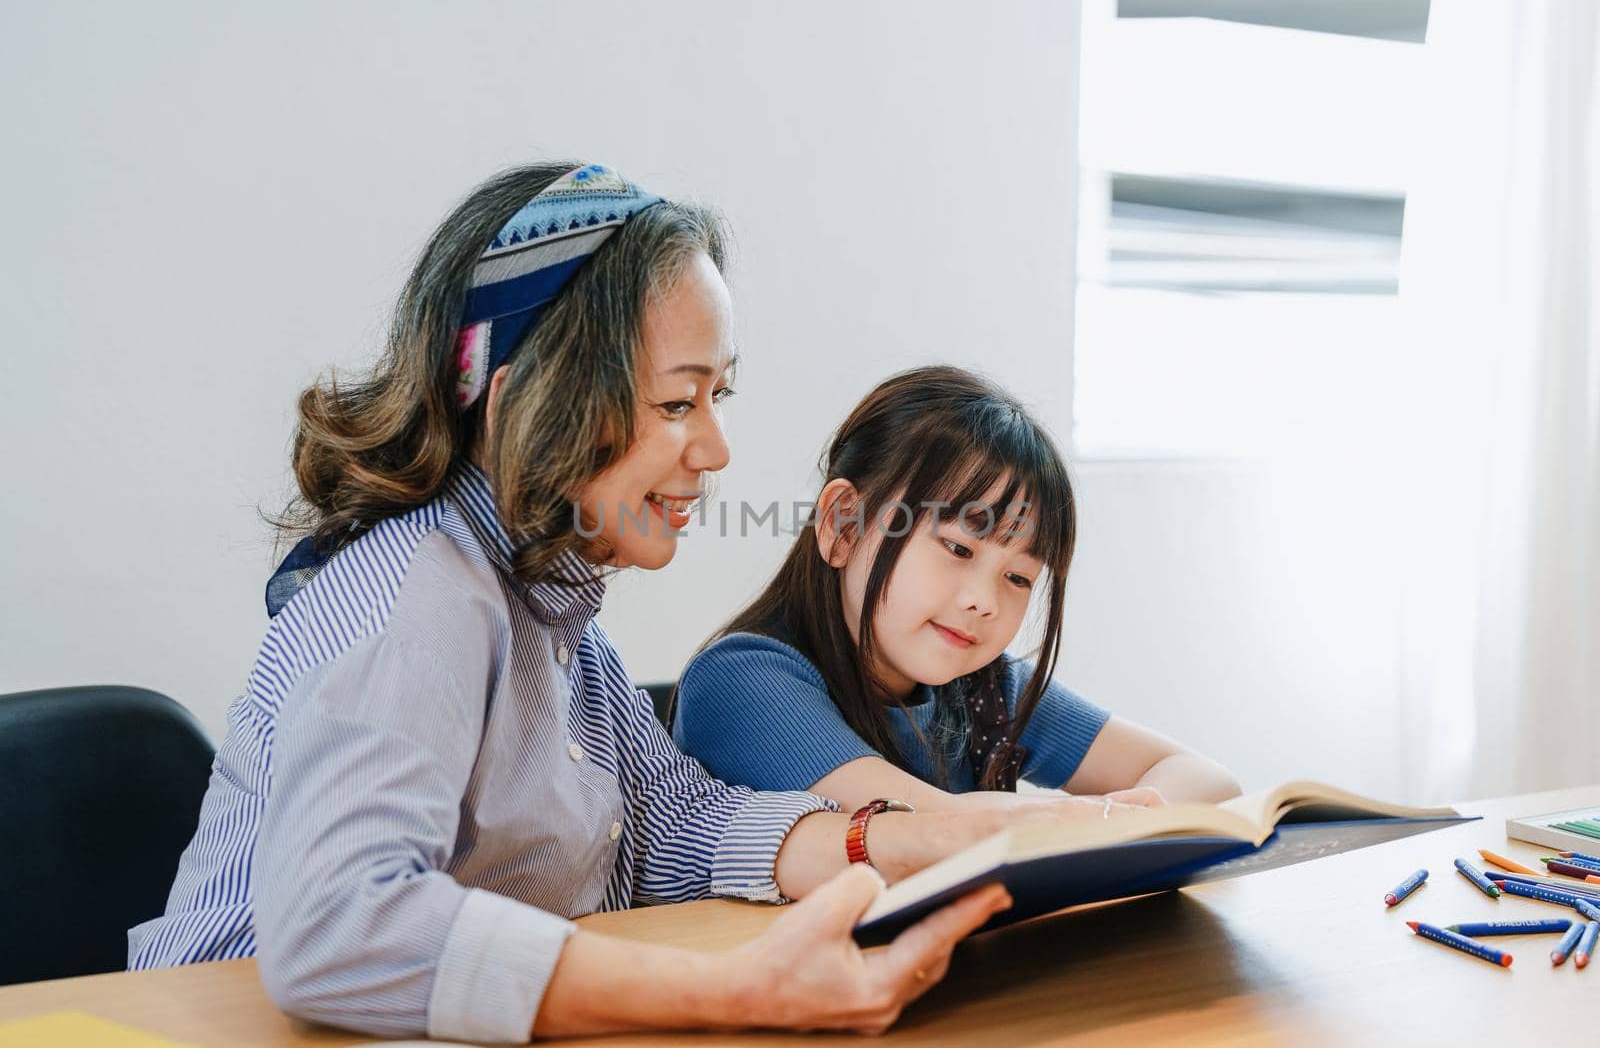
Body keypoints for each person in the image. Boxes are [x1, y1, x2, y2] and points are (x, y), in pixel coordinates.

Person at [127, 163, 1145, 1042]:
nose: (714, 449)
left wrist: (881, 835)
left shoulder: (558, 622)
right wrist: (728, 990)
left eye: (717, 397)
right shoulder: (417, 596)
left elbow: (664, 825)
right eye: (675, 401)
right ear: (537, 394)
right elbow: (340, 924)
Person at [674, 366, 1241, 813]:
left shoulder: (985, 691)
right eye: (959, 549)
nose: (985, 602)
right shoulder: (741, 681)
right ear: (843, 525)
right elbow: (936, 833)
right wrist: (1096, 823)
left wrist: (1112, 821)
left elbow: (1208, 780)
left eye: (1018, 577)